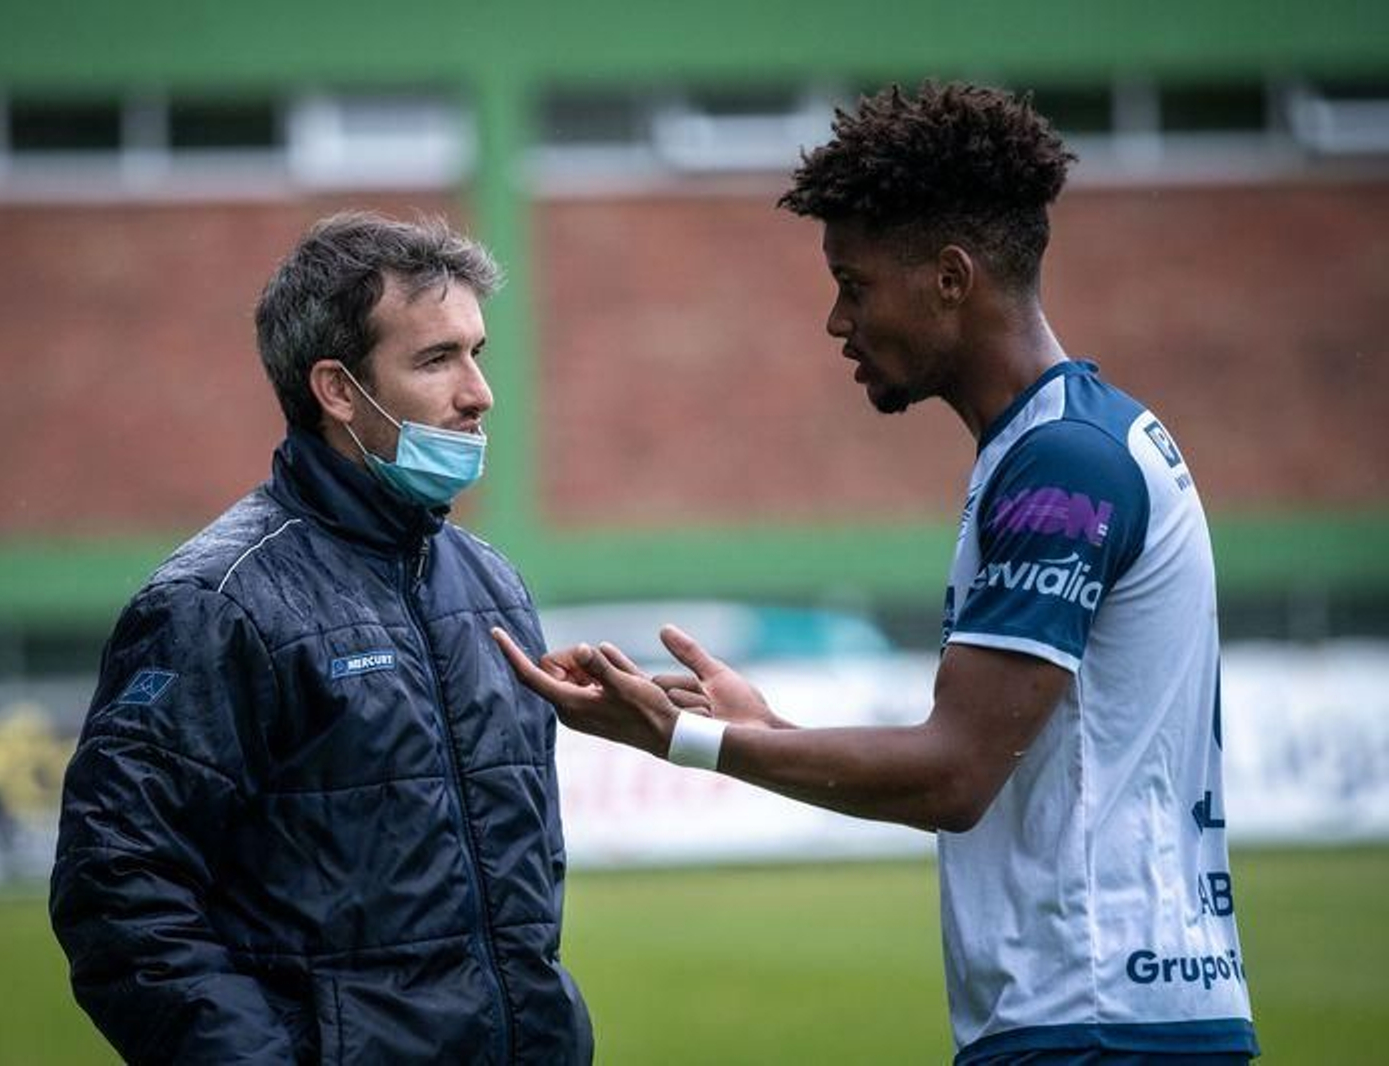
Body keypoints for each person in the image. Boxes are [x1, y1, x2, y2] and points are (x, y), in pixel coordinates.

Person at [493, 83, 1257, 1064]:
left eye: (853, 284)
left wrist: (692, 738)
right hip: (1107, 1011)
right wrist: (767, 732)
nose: (834, 321)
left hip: (1100, 1017)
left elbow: (954, 773)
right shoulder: (1065, 442)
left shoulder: (1063, 464)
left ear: (948, 277)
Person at [51, 212, 593, 1065]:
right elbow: (120, 894)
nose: (478, 392)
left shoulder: (490, 583)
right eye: (435, 359)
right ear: (338, 390)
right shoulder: (214, 604)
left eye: (475, 354)